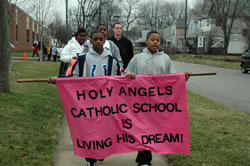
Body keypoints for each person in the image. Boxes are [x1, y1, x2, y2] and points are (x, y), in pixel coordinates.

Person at [125, 31, 189, 166]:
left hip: (159, 103)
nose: (155, 42)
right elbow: (126, 74)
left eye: (158, 40)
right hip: (141, 103)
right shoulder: (137, 59)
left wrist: (182, 77)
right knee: (143, 130)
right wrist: (129, 74)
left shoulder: (165, 59)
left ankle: (147, 154)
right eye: (152, 39)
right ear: (146, 41)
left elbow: (172, 78)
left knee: (154, 130)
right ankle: (144, 159)